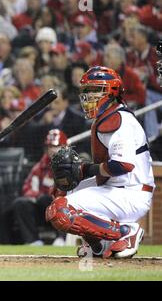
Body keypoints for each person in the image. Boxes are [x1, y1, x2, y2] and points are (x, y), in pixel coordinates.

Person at [46, 66, 154, 259]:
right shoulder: (110, 116)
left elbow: (122, 166)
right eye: (86, 91)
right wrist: (79, 174)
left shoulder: (119, 120)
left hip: (130, 192)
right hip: (118, 188)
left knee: (60, 212)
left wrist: (85, 169)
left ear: (112, 92)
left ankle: (125, 232)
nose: (88, 96)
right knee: (61, 192)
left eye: (95, 90)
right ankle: (100, 244)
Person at [10, 129, 67, 246]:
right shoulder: (40, 166)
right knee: (21, 203)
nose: (52, 150)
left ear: (65, 147)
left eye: (56, 147)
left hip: (65, 212)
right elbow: (27, 188)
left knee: (53, 201)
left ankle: (61, 238)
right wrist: (38, 196)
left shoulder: (70, 167)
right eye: (49, 147)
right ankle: (33, 241)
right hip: (44, 209)